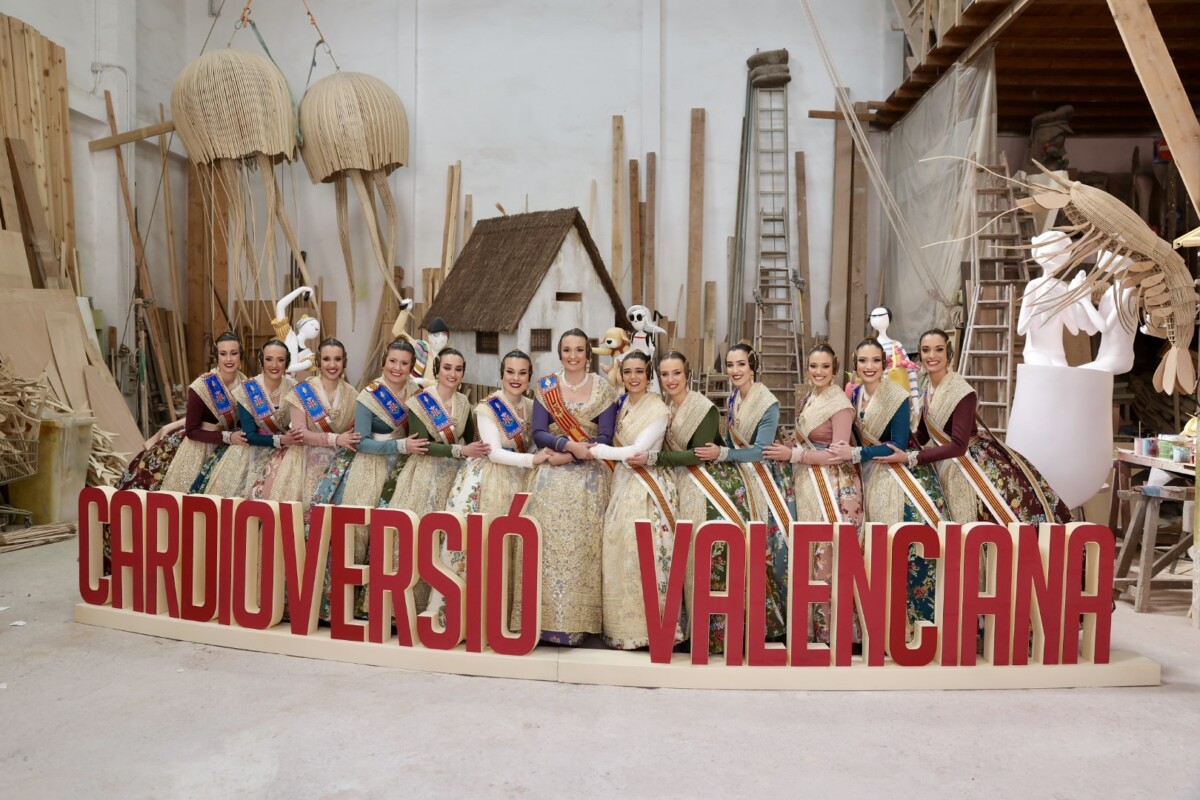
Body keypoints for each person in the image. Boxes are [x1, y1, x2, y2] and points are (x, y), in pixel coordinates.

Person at [636, 351, 756, 654]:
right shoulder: (662, 409)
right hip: (677, 485)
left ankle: (714, 635)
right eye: (665, 375)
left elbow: (698, 455)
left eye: (676, 373)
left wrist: (653, 458)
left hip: (704, 488)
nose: (671, 380)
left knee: (703, 559)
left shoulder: (703, 408)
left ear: (687, 373)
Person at [886, 329, 1071, 526]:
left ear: (948, 353)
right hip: (943, 462)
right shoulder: (926, 390)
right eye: (926, 350)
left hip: (971, 463)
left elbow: (959, 446)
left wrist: (911, 458)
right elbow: (921, 436)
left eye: (938, 349)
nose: (932, 356)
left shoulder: (962, 392)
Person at [428, 350, 556, 625]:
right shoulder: (486, 408)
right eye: (510, 372)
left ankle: (503, 618)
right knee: (478, 549)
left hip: (521, 480)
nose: (516, 378)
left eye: (522, 373)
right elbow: (494, 452)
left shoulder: (534, 407)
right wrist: (533, 459)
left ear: (529, 378)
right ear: (501, 375)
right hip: (487, 482)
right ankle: (467, 619)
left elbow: (535, 442)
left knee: (512, 550)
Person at [307, 339, 428, 620]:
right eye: (393, 361)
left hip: (406, 469)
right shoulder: (369, 395)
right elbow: (361, 443)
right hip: (370, 468)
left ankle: (383, 604)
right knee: (359, 534)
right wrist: (399, 446)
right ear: (384, 362)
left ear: (412, 367)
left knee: (395, 536)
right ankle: (343, 604)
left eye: (404, 363)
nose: (397, 368)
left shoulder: (418, 394)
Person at [523, 329, 618, 645]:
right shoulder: (546, 387)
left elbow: (605, 437)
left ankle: (578, 623)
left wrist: (571, 457)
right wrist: (566, 447)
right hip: (549, 477)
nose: (573, 356)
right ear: (559, 353)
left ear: (587, 354)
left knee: (583, 546)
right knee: (546, 544)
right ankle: (545, 619)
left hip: (589, 477)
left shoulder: (603, 388)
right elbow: (538, 432)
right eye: (567, 350)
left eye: (579, 350)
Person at [846, 338, 947, 631]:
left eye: (875, 360)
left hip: (892, 475)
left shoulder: (898, 396)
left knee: (898, 544)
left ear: (885, 364)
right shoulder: (853, 396)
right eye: (863, 361)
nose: (869, 367)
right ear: (855, 364)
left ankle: (911, 624)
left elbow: (897, 445)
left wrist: (856, 453)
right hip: (863, 471)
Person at [765, 343, 862, 645]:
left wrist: (793, 455)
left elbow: (838, 454)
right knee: (807, 554)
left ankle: (834, 631)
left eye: (824, 367)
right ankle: (809, 629)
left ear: (835, 370)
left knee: (828, 555)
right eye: (813, 366)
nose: (818, 372)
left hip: (834, 486)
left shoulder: (841, 404)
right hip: (808, 480)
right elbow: (802, 439)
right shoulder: (810, 397)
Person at [695, 343, 790, 647]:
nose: (735, 371)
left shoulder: (768, 403)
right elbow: (733, 441)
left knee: (768, 551)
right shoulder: (737, 395)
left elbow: (760, 452)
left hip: (765, 478)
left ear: (753, 366)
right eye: (730, 365)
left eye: (741, 365)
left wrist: (722, 453)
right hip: (740, 473)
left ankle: (773, 623)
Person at [590, 351, 683, 650]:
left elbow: (636, 452)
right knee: (619, 551)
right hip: (622, 484)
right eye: (627, 371)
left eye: (639, 371)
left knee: (647, 554)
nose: (633, 377)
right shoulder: (621, 405)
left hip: (648, 487)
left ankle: (651, 630)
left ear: (648, 375)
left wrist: (593, 451)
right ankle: (622, 629)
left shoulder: (657, 410)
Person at [387, 347, 490, 612]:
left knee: (445, 541)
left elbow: (469, 440)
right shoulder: (420, 401)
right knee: (419, 536)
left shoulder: (465, 403)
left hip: (453, 479)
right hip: (424, 476)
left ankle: (438, 606)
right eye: (447, 368)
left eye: (458, 369)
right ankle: (404, 607)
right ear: (437, 370)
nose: (452, 374)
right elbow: (422, 445)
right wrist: (461, 451)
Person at [256, 338, 359, 511]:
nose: (332, 365)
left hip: (337, 465)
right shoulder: (303, 390)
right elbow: (299, 434)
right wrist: (336, 439)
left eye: (337, 359)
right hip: (302, 464)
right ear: (318, 361)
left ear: (344, 362)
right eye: (326, 359)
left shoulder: (353, 394)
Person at [199, 338, 297, 497]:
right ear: (261, 361)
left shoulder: (294, 388)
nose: (274, 365)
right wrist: (282, 440)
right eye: (269, 359)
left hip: (284, 452)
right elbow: (249, 435)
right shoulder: (247, 389)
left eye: (280, 360)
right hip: (251, 452)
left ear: (287, 363)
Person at [159, 332, 247, 493]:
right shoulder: (202, 386)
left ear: (241, 356)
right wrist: (228, 437)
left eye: (234, 353)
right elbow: (191, 431)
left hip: (231, 451)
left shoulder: (246, 384)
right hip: (200, 448)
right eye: (223, 354)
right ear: (216, 357)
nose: (229, 359)